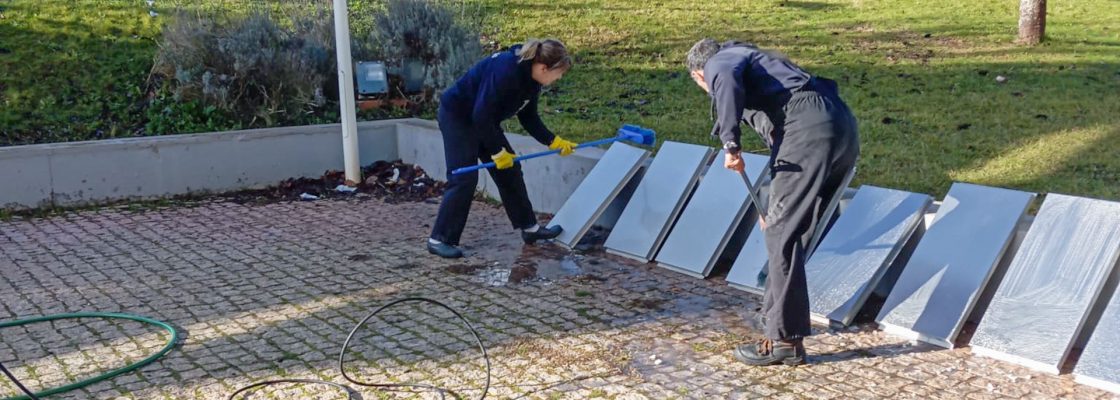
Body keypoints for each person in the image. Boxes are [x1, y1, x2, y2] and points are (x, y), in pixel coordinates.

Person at [685, 38, 860, 365]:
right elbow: (779, 131)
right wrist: (780, 208)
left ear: (698, 74)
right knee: (789, 231)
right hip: (839, 124)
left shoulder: (720, 61)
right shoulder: (756, 63)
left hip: (808, 130)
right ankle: (776, 319)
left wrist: (730, 144)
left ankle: (785, 341)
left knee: (781, 234)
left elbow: (724, 79)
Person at [427, 39, 578, 259]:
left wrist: (553, 141)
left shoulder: (532, 79)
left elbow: (528, 117)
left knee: (510, 170)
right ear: (544, 68)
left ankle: (530, 228)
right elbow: (480, 115)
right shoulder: (507, 72)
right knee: (464, 178)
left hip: (483, 120)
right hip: (458, 117)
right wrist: (497, 152)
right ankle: (439, 239)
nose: (559, 78)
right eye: (559, 73)